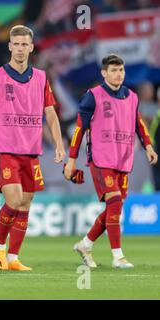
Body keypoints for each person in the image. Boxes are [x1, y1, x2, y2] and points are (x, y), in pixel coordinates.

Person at [0, 25, 65, 271]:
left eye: (25, 44)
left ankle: (13, 257)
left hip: (31, 152)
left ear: (31, 47)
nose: (20, 49)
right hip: (5, 150)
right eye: (16, 44)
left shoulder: (42, 78)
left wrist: (59, 144)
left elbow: (51, 114)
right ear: (10, 46)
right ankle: (0, 246)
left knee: (25, 202)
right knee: (14, 199)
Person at [65, 54, 158, 269]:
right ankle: (118, 257)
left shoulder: (132, 97)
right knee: (115, 202)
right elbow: (79, 128)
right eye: (114, 70)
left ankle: (85, 244)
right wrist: (71, 160)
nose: (118, 74)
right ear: (104, 73)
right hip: (100, 158)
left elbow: (139, 124)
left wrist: (149, 146)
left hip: (123, 158)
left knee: (113, 208)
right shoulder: (93, 96)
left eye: (121, 70)